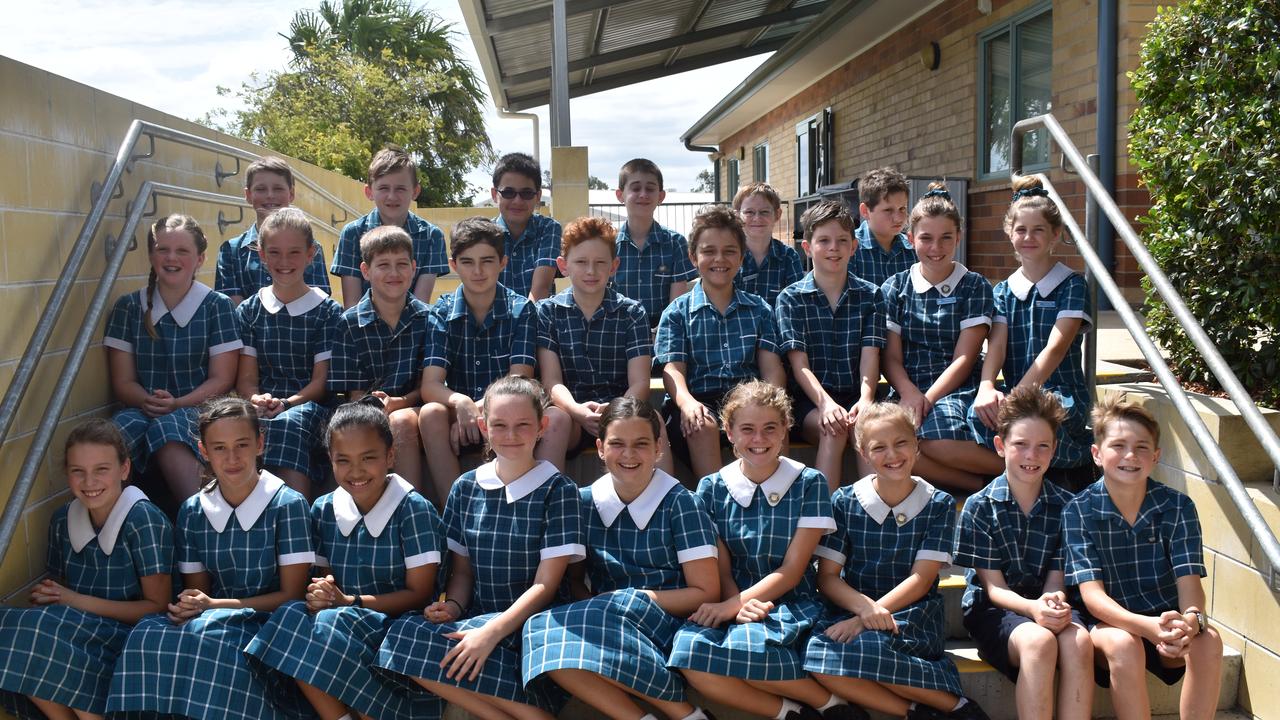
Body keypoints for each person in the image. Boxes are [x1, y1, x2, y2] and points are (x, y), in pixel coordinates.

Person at [378, 376, 584, 720]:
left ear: (542, 427)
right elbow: (462, 572)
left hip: (536, 626)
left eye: (523, 425)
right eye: (500, 425)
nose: (511, 435)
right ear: (483, 427)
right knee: (399, 638)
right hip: (478, 623)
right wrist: (454, 608)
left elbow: (545, 586)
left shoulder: (558, 491)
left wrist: (490, 633)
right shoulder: (465, 487)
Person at [106, 396, 314, 720]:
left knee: (210, 641)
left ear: (260, 444)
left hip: (272, 626)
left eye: (242, 445)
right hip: (216, 618)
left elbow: (292, 597)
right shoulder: (192, 510)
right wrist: (193, 604)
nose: (232, 458)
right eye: (219, 448)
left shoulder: (289, 505)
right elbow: (197, 590)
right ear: (203, 452)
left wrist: (213, 607)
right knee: (149, 633)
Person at [245, 397, 444, 720]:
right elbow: (323, 578)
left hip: (399, 625)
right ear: (331, 460)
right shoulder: (323, 509)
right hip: (344, 617)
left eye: (368, 458)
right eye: (343, 460)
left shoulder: (413, 509)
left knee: (329, 623)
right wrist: (323, 593)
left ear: (390, 456)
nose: (356, 471)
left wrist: (348, 601)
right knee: (290, 616)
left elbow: (419, 594)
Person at [522, 397, 720, 720]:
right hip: (607, 617)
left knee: (569, 626)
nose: (628, 455)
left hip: (668, 622)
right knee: (538, 632)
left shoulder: (682, 504)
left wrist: (632, 600)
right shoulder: (583, 502)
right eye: (617, 444)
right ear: (600, 448)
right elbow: (575, 581)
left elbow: (706, 592)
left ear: (659, 448)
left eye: (641, 444)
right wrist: (603, 607)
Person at [669, 381, 856, 720]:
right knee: (687, 654)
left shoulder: (809, 483)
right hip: (734, 598)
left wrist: (732, 607)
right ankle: (791, 712)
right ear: (728, 432)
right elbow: (720, 564)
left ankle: (833, 706)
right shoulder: (711, 488)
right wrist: (733, 604)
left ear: (786, 430)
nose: (759, 439)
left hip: (790, 600)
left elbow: (793, 569)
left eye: (770, 428)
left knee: (746, 647)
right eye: (747, 429)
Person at [805, 403, 988, 720]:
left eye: (901, 442)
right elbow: (828, 577)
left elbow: (921, 580)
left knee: (864, 649)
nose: (893, 454)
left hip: (912, 613)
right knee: (818, 656)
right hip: (853, 606)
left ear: (917, 443)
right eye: (879, 447)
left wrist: (868, 618)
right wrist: (863, 609)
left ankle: (957, 706)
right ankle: (924, 711)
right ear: (863, 453)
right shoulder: (845, 501)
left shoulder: (938, 504)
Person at [1063, 395, 1222, 720]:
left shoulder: (1177, 506)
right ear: (1096, 454)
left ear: (1156, 457)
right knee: (1125, 645)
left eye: (1142, 447)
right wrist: (1146, 627)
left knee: (1209, 640)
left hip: (1165, 624)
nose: (1130, 456)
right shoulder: (1078, 511)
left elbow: (1190, 585)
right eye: (1118, 445)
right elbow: (1093, 598)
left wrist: (1190, 622)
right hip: (1109, 625)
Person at [0, 420, 171, 720]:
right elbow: (60, 590)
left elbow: (156, 608)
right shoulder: (61, 519)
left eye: (101, 469)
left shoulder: (144, 519)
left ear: (125, 469)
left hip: (133, 638)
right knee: (15, 629)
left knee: (55, 646)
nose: (89, 481)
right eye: (78, 471)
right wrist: (50, 596)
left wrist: (71, 600)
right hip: (87, 629)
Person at [955, 385, 1093, 720]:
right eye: (1020, 445)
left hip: (1046, 600)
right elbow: (994, 589)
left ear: (1054, 449)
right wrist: (1033, 609)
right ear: (1000, 446)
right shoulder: (980, 506)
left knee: (1080, 642)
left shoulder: (1068, 506)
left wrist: (1050, 603)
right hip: (995, 609)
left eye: (1042, 446)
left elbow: (1056, 579)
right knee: (1038, 643)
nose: (1031, 455)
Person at [419, 217, 569, 505]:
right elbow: (431, 384)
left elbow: (519, 380)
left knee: (552, 418)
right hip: (462, 416)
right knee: (430, 414)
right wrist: (461, 402)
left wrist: (478, 410)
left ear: (503, 262)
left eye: (487, 261)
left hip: (508, 411)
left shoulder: (520, 308)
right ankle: (457, 514)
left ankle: (538, 507)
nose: (477, 271)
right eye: (467, 262)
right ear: (453, 265)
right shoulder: (441, 312)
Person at [104, 214, 242, 503]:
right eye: (162, 249)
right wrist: (146, 401)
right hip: (143, 407)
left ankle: (202, 520)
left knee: (168, 428)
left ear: (200, 258)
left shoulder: (217, 307)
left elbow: (223, 378)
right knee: (110, 436)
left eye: (182, 251)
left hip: (200, 407)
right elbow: (123, 381)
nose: (171, 258)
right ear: (151, 254)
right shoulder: (128, 308)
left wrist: (177, 403)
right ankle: (113, 529)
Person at [970, 177, 1094, 486]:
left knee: (1042, 424)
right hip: (1016, 391)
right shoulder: (1003, 291)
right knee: (976, 417)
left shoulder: (1072, 284)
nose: (1029, 237)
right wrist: (987, 386)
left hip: (1057, 393)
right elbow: (996, 347)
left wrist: (1019, 397)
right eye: (1021, 229)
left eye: (1038, 230)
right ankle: (1007, 477)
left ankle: (1043, 476)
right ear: (1009, 233)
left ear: (1055, 235)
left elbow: (1057, 347)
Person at [880, 183, 997, 492]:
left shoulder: (974, 286)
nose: (936, 247)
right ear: (910, 240)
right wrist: (909, 394)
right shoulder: (894, 288)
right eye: (926, 238)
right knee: (893, 444)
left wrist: (927, 400)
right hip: (908, 386)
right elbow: (890, 358)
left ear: (958, 237)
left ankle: (1027, 467)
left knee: (933, 439)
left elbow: (965, 357)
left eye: (946, 237)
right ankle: (980, 484)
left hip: (955, 385)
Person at [656, 206, 785, 481]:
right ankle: (715, 505)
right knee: (702, 424)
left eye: (729, 251)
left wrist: (770, 400)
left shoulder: (759, 309)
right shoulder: (677, 312)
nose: (719, 259)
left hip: (748, 400)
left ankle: (770, 497)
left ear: (741, 257)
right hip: (696, 402)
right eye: (709, 251)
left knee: (771, 420)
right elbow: (673, 370)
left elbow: (771, 367)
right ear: (693, 257)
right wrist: (687, 403)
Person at [536, 216, 674, 473]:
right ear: (563, 266)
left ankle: (667, 501)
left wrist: (614, 410)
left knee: (652, 418)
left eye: (600, 263)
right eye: (581, 262)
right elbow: (551, 381)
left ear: (614, 266)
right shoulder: (547, 312)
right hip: (572, 414)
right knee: (553, 419)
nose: (591, 271)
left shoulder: (632, 312)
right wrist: (577, 411)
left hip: (621, 408)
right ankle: (548, 499)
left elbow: (640, 383)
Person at [776, 201, 885, 491]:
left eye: (841, 241)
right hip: (809, 402)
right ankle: (823, 523)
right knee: (834, 430)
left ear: (854, 247)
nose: (833, 248)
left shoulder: (871, 296)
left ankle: (869, 517)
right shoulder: (791, 299)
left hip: (855, 394)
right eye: (823, 240)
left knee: (867, 428)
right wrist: (825, 404)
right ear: (807, 248)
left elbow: (870, 354)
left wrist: (866, 398)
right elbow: (799, 365)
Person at [235, 207, 343, 498]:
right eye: (274, 252)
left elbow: (321, 384)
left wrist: (286, 403)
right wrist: (256, 399)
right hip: (264, 405)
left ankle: (297, 515)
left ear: (310, 255)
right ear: (261, 254)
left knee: (288, 424)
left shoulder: (327, 312)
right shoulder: (249, 311)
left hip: (308, 408)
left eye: (294, 253)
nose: (284, 262)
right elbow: (246, 378)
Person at [328, 225, 433, 493]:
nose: (394, 273)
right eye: (383, 265)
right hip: (366, 410)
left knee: (401, 423)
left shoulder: (430, 319)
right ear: (365, 271)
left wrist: (400, 402)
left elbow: (429, 384)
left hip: (415, 409)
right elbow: (353, 392)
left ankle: (410, 509)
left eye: (401, 264)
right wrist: (375, 411)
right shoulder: (348, 324)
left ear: (413, 267)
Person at [331, 146, 448, 308]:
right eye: (383, 188)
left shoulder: (431, 236)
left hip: (413, 329)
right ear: (369, 191)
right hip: (363, 329)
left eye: (400, 188)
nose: (392, 196)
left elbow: (421, 305)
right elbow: (352, 305)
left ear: (415, 191)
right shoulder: (352, 234)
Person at [214, 156, 330, 305]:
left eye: (278, 188)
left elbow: (317, 302)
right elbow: (231, 311)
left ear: (291, 193)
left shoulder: (312, 248)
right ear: (248, 195)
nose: (270, 195)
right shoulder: (230, 251)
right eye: (261, 189)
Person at [610, 158, 697, 326]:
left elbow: (675, 306)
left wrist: (661, 333)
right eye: (635, 188)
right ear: (620, 195)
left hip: (662, 332)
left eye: (650, 189)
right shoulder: (607, 244)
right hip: (617, 333)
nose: (643, 194)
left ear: (661, 196)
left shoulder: (675, 243)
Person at [491, 152, 561, 301]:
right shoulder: (483, 234)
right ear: (494, 194)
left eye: (526, 193)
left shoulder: (548, 228)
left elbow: (540, 289)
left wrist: (521, 324)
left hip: (535, 319)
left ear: (538, 196)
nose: (517, 201)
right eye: (508, 192)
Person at [733, 182, 803, 306]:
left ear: (777, 215)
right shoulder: (730, 256)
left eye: (764, 212)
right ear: (738, 215)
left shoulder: (789, 257)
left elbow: (796, 305)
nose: (757, 218)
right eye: (749, 212)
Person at [851, 167, 914, 287]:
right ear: (865, 211)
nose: (898, 218)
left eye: (902, 209)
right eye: (888, 210)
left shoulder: (913, 249)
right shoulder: (849, 248)